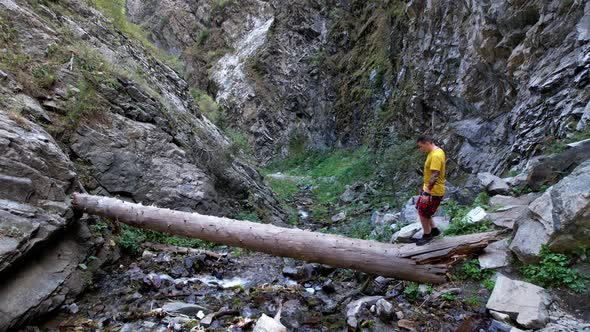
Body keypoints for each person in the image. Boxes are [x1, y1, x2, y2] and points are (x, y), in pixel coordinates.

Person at [414, 135, 446, 246]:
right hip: (429, 189)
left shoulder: (436, 156)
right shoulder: (435, 152)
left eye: (421, 146)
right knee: (422, 209)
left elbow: (435, 175)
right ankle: (434, 229)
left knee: (423, 213)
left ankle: (427, 236)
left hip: (433, 191)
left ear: (427, 143)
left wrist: (427, 192)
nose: (420, 149)